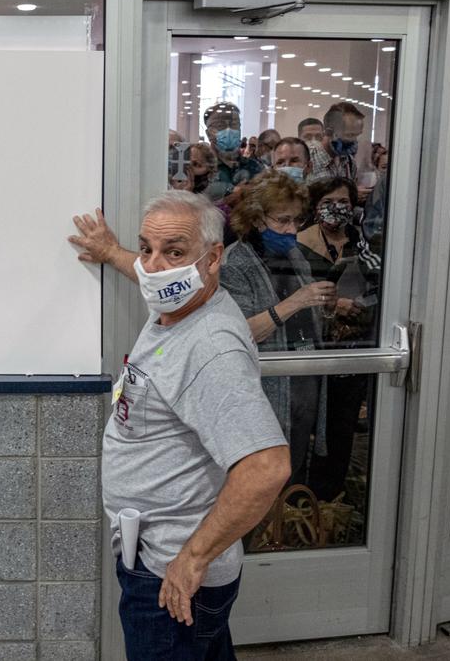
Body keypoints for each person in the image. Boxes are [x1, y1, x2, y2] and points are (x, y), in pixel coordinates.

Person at [74, 192, 289, 660]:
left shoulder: (210, 348)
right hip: (158, 557)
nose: (153, 265)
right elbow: (152, 275)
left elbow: (267, 467)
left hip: (171, 572)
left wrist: (191, 560)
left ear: (212, 260)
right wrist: (113, 253)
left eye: (174, 251)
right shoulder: (180, 299)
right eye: (146, 247)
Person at [221, 173, 337, 485]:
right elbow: (243, 333)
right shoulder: (235, 263)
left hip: (302, 376)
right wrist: (297, 301)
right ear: (257, 219)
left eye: (296, 220)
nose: (291, 230)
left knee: (294, 468)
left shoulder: (293, 254)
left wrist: (324, 307)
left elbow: (303, 318)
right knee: (260, 478)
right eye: (282, 220)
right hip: (266, 385)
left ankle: (282, 528)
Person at [296, 178, 384, 502]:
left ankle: (329, 496)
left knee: (342, 425)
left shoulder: (360, 243)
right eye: (329, 200)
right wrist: (330, 306)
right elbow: (288, 295)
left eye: (344, 201)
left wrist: (362, 307)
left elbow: (378, 285)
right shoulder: (297, 244)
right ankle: (295, 498)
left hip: (350, 350)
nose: (338, 207)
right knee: (304, 423)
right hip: (308, 349)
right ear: (315, 205)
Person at [310, 103, 365, 184]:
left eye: (357, 135)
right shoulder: (309, 158)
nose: (354, 140)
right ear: (329, 132)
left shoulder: (349, 161)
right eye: (349, 135)